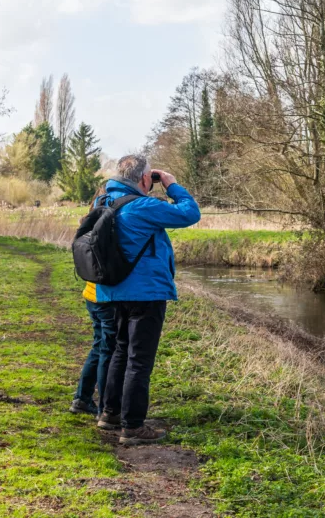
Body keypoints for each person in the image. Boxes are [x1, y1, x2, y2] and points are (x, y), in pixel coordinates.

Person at [94, 154, 200, 445]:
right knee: (139, 361)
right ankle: (133, 427)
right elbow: (190, 213)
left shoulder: (103, 202)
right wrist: (172, 185)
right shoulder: (143, 206)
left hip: (113, 290)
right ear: (144, 179)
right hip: (146, 292)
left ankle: (110, 414)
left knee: (119, 352)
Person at [69, 185, 116, 416]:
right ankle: (104, 408)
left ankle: (82, 399)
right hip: (104, 297)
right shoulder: (108, 222)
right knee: (107, 350)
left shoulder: (90, 219)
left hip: (91, 294)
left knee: (99, 347)